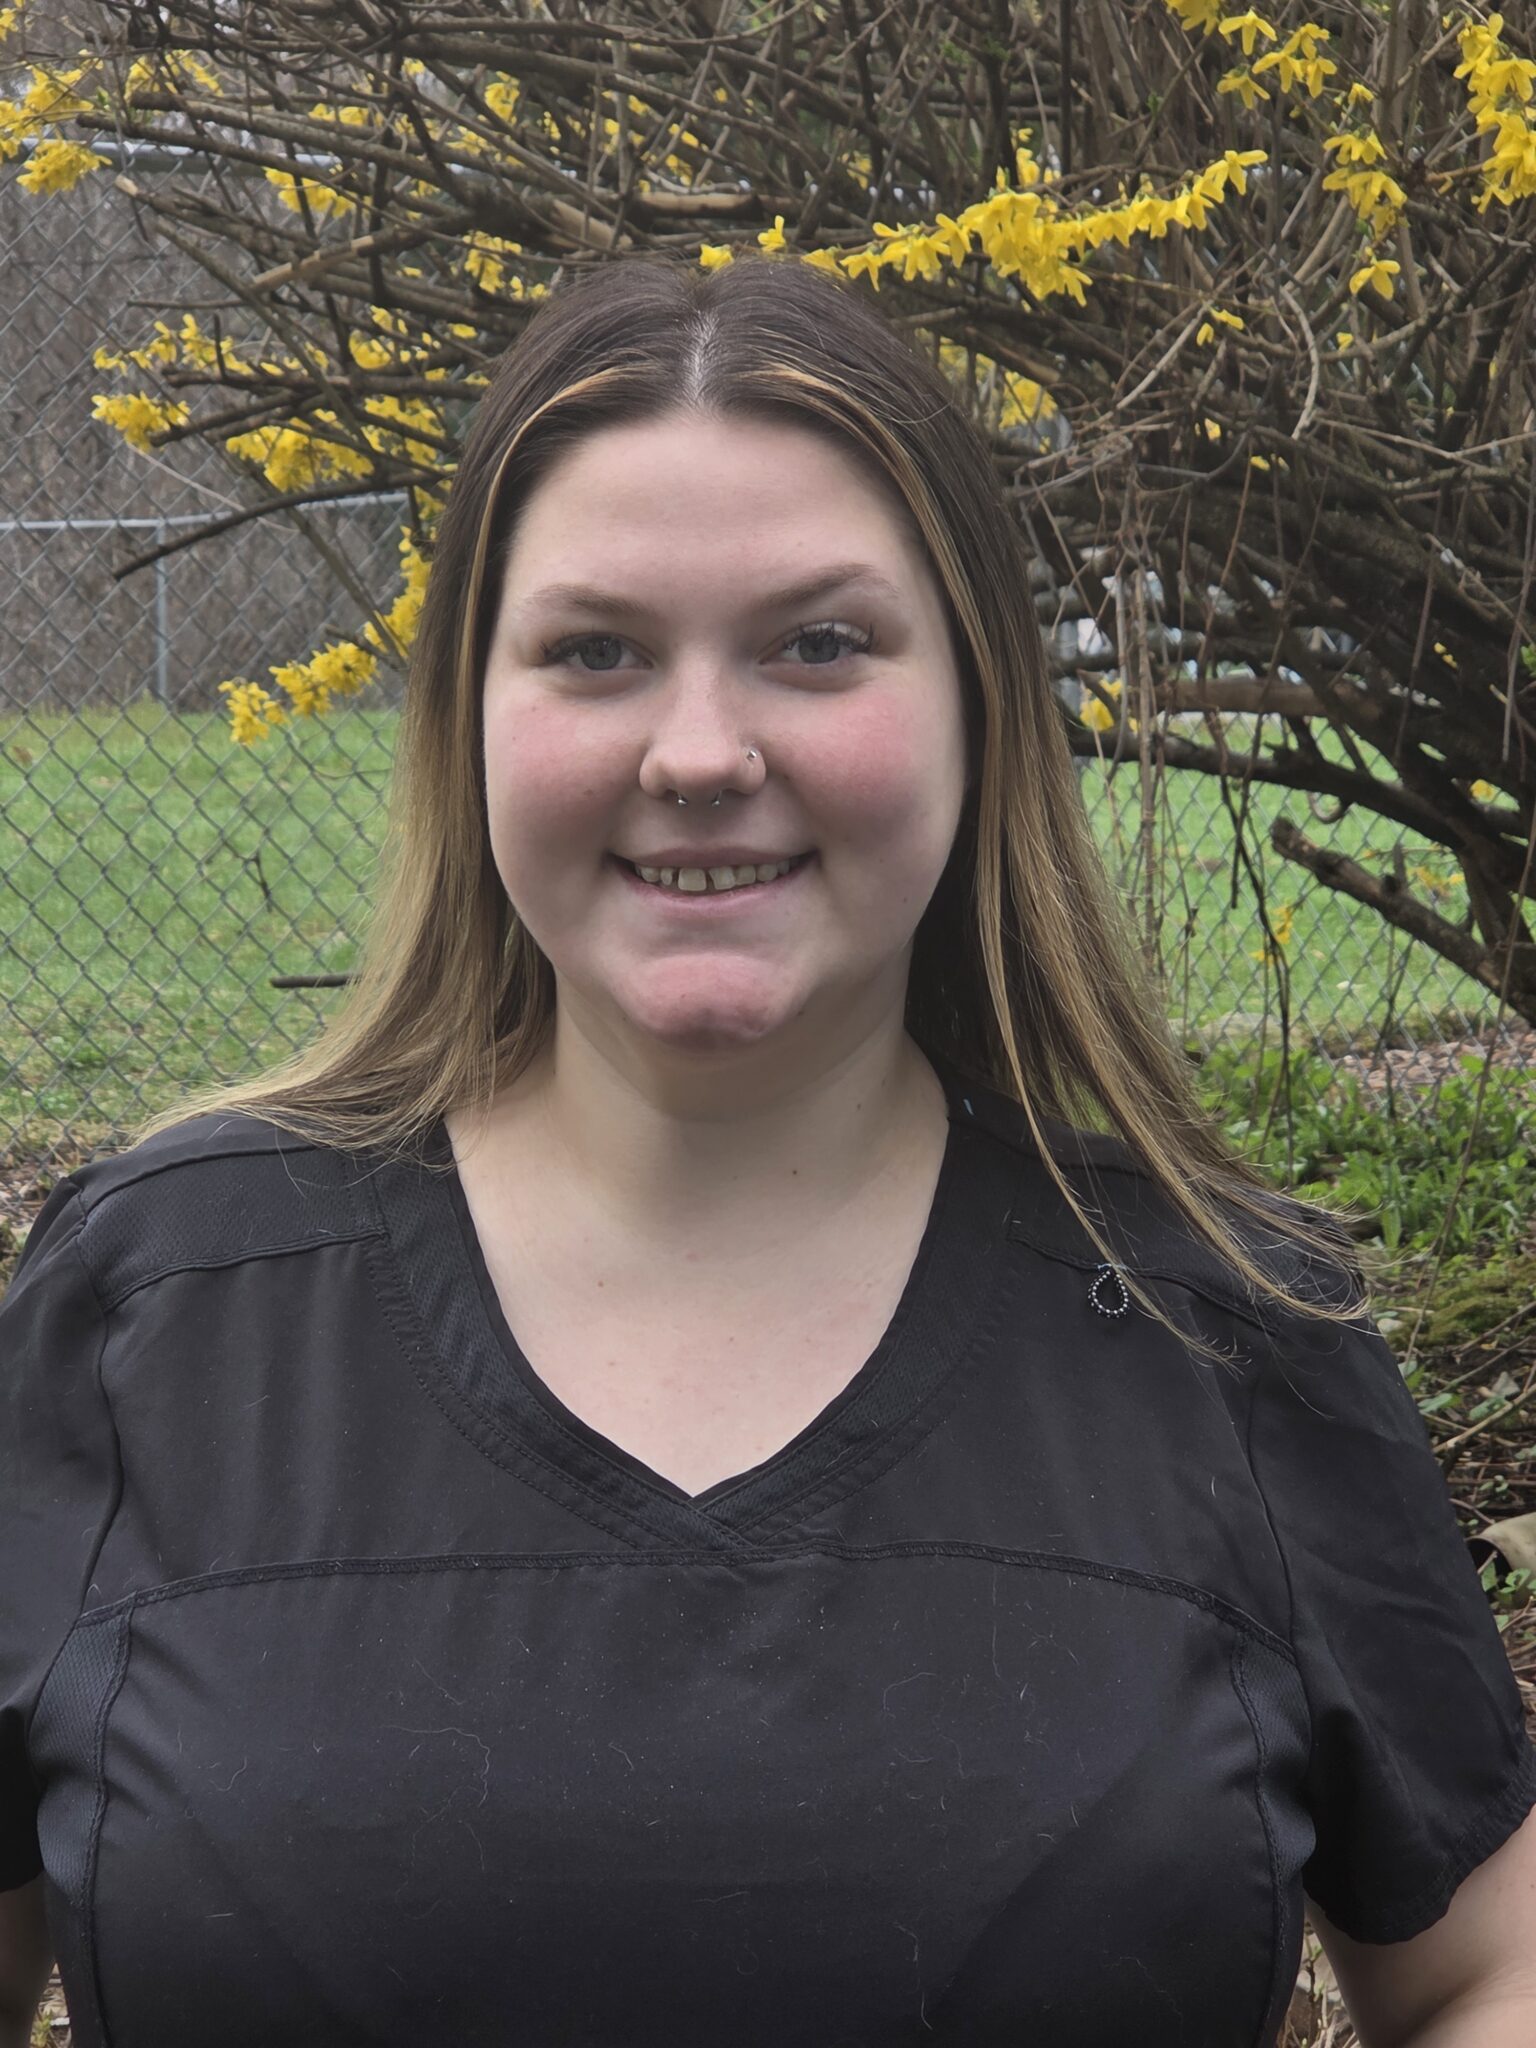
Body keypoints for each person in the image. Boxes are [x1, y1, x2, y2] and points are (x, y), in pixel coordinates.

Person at [2, 253, 1533, 2048]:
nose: (700, 753)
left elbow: (1486, 1971)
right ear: (468, 714)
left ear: (976, 701)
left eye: (818, 644)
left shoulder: (1229, 1330)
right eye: (595, 651)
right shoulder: (151, 1312)